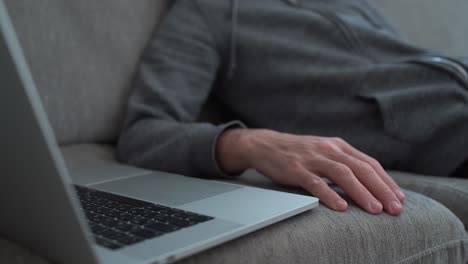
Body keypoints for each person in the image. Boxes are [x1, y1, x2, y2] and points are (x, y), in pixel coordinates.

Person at [117, 0, 468, 216]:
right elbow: (143, 132)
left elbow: (405, 66)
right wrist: (250, 143)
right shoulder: (206, 11)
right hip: (445, 131)